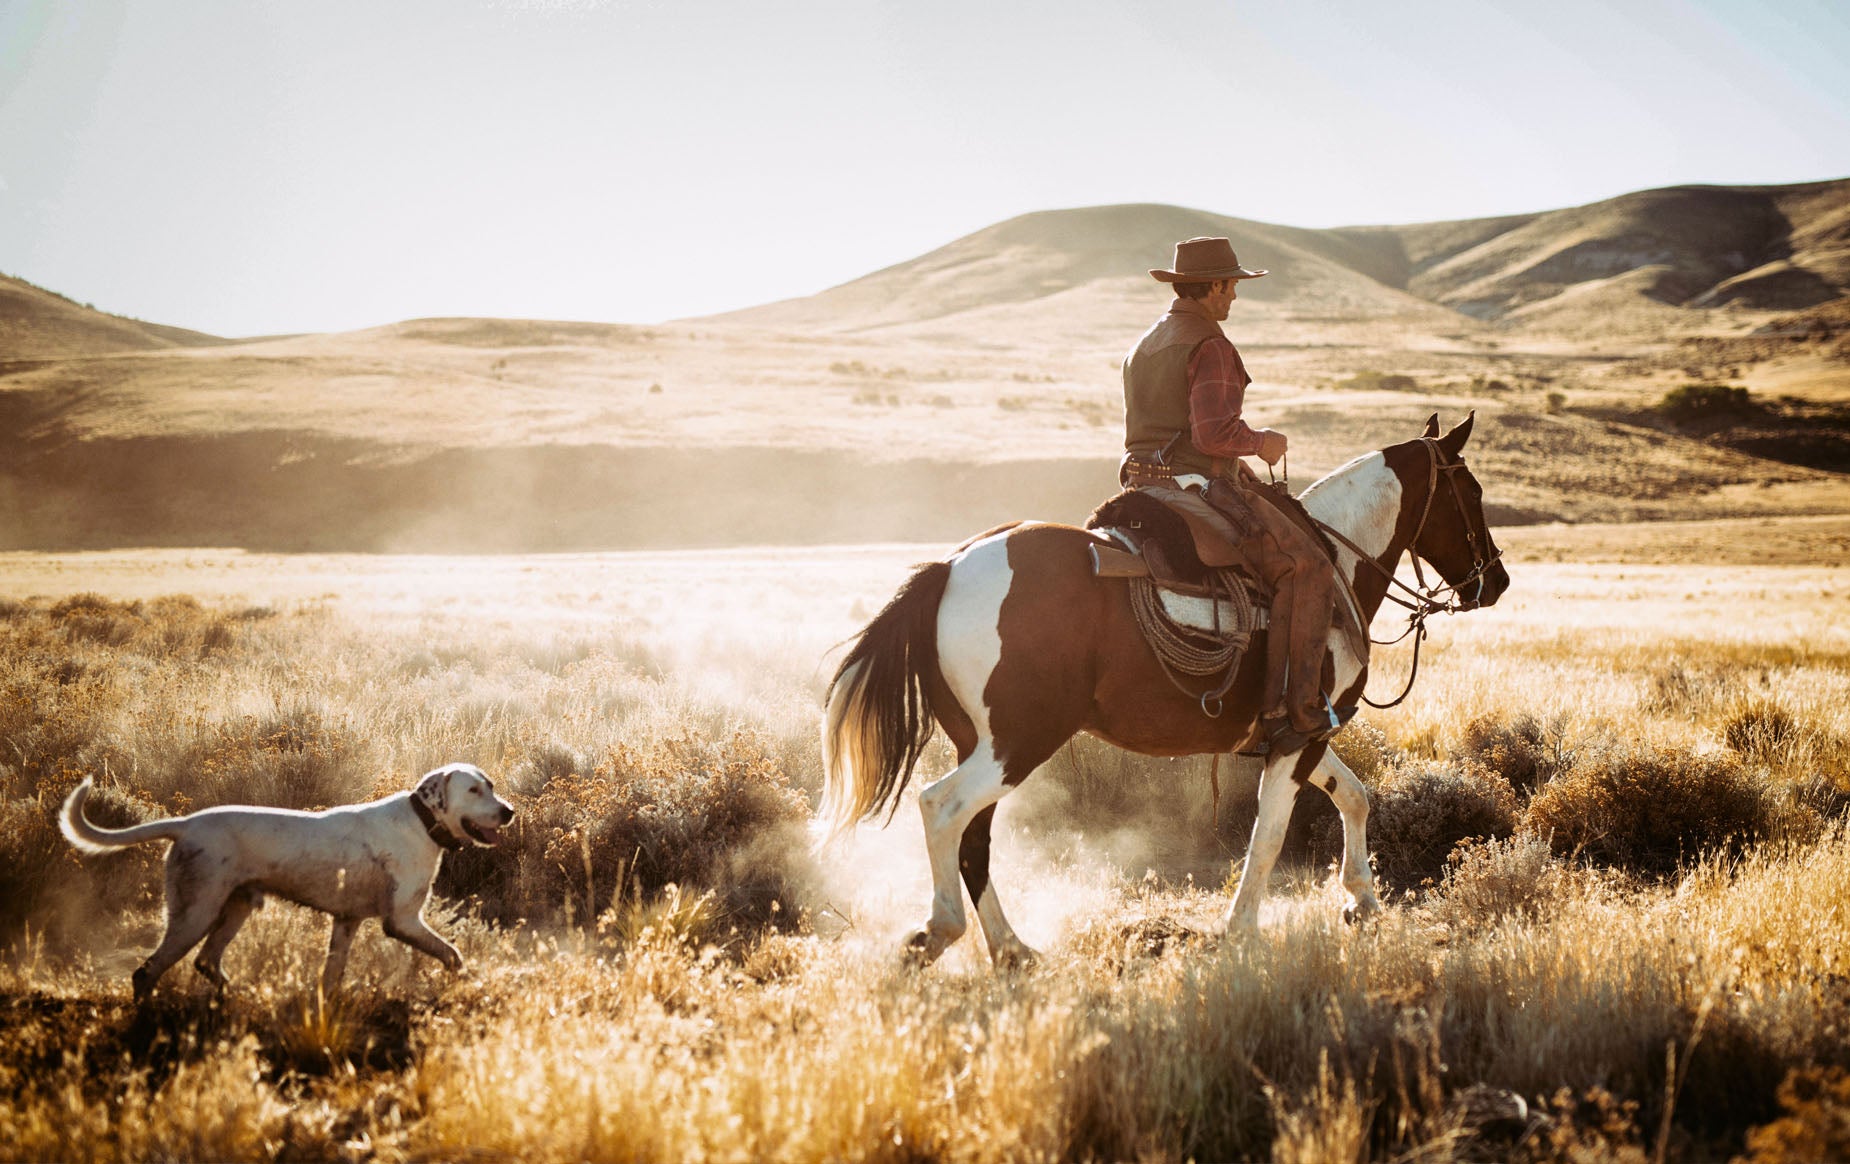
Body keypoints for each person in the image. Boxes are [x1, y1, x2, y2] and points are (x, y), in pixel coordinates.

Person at [1120, 236, 1360, 754]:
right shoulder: (1211, 345)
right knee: (1307, 567)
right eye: (1230, 286)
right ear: (1210, 287)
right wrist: (1262, 444)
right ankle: (1291, 712)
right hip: (1192, 486)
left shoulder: (1147, 342)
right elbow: (1212, 435)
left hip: (1140, 482)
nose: (1234, 297)